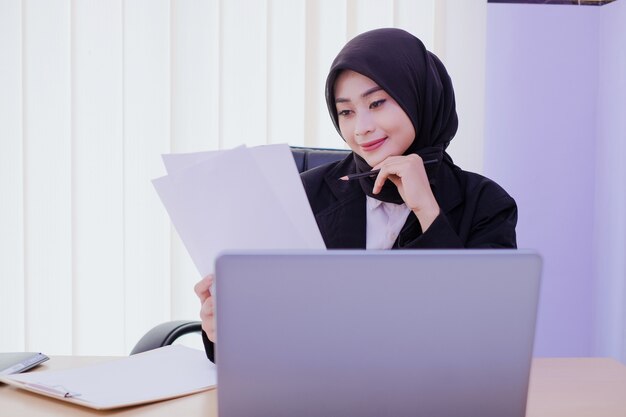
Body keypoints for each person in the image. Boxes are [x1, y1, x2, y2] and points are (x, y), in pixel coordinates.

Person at [195, 28, 517, 362]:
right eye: (346, 111)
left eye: (376, 103)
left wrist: (427, 211)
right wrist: (225, 332)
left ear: (420, 97)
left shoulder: (486, 204)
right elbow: (270, 338)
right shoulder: (306, 194)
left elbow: (485, 336)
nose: (360, 127)